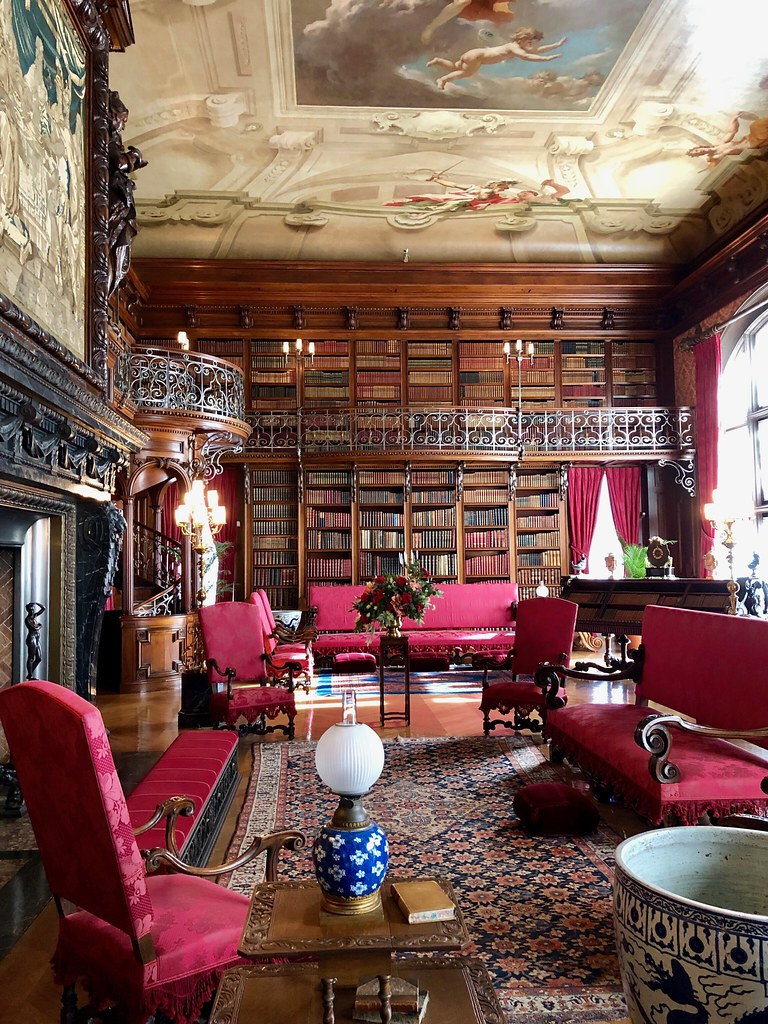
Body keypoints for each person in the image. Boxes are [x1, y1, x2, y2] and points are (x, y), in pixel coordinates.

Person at [427, 27, 567, 90]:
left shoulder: (517, 46)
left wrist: (557, 45)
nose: (531, 45)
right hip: (479, 57)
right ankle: (442, 80)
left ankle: (438, 61)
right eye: (530, 42)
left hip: (474, 53)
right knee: (467, 73)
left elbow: (537, 50)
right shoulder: (514, 47)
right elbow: (526, 56)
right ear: (523, 39)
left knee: (456, 68)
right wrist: (546, 59)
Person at [687, 112, 768, 166]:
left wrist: (733, 119)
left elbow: (731, 132)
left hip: (749, 139)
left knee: (756, 125)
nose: (699, 151)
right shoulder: (713, 158)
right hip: (750, 148)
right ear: (699, 155)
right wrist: (717, 158)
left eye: (697, 150)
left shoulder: (720, 144)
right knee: (761, 132)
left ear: (700, 147)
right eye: (697, 153)